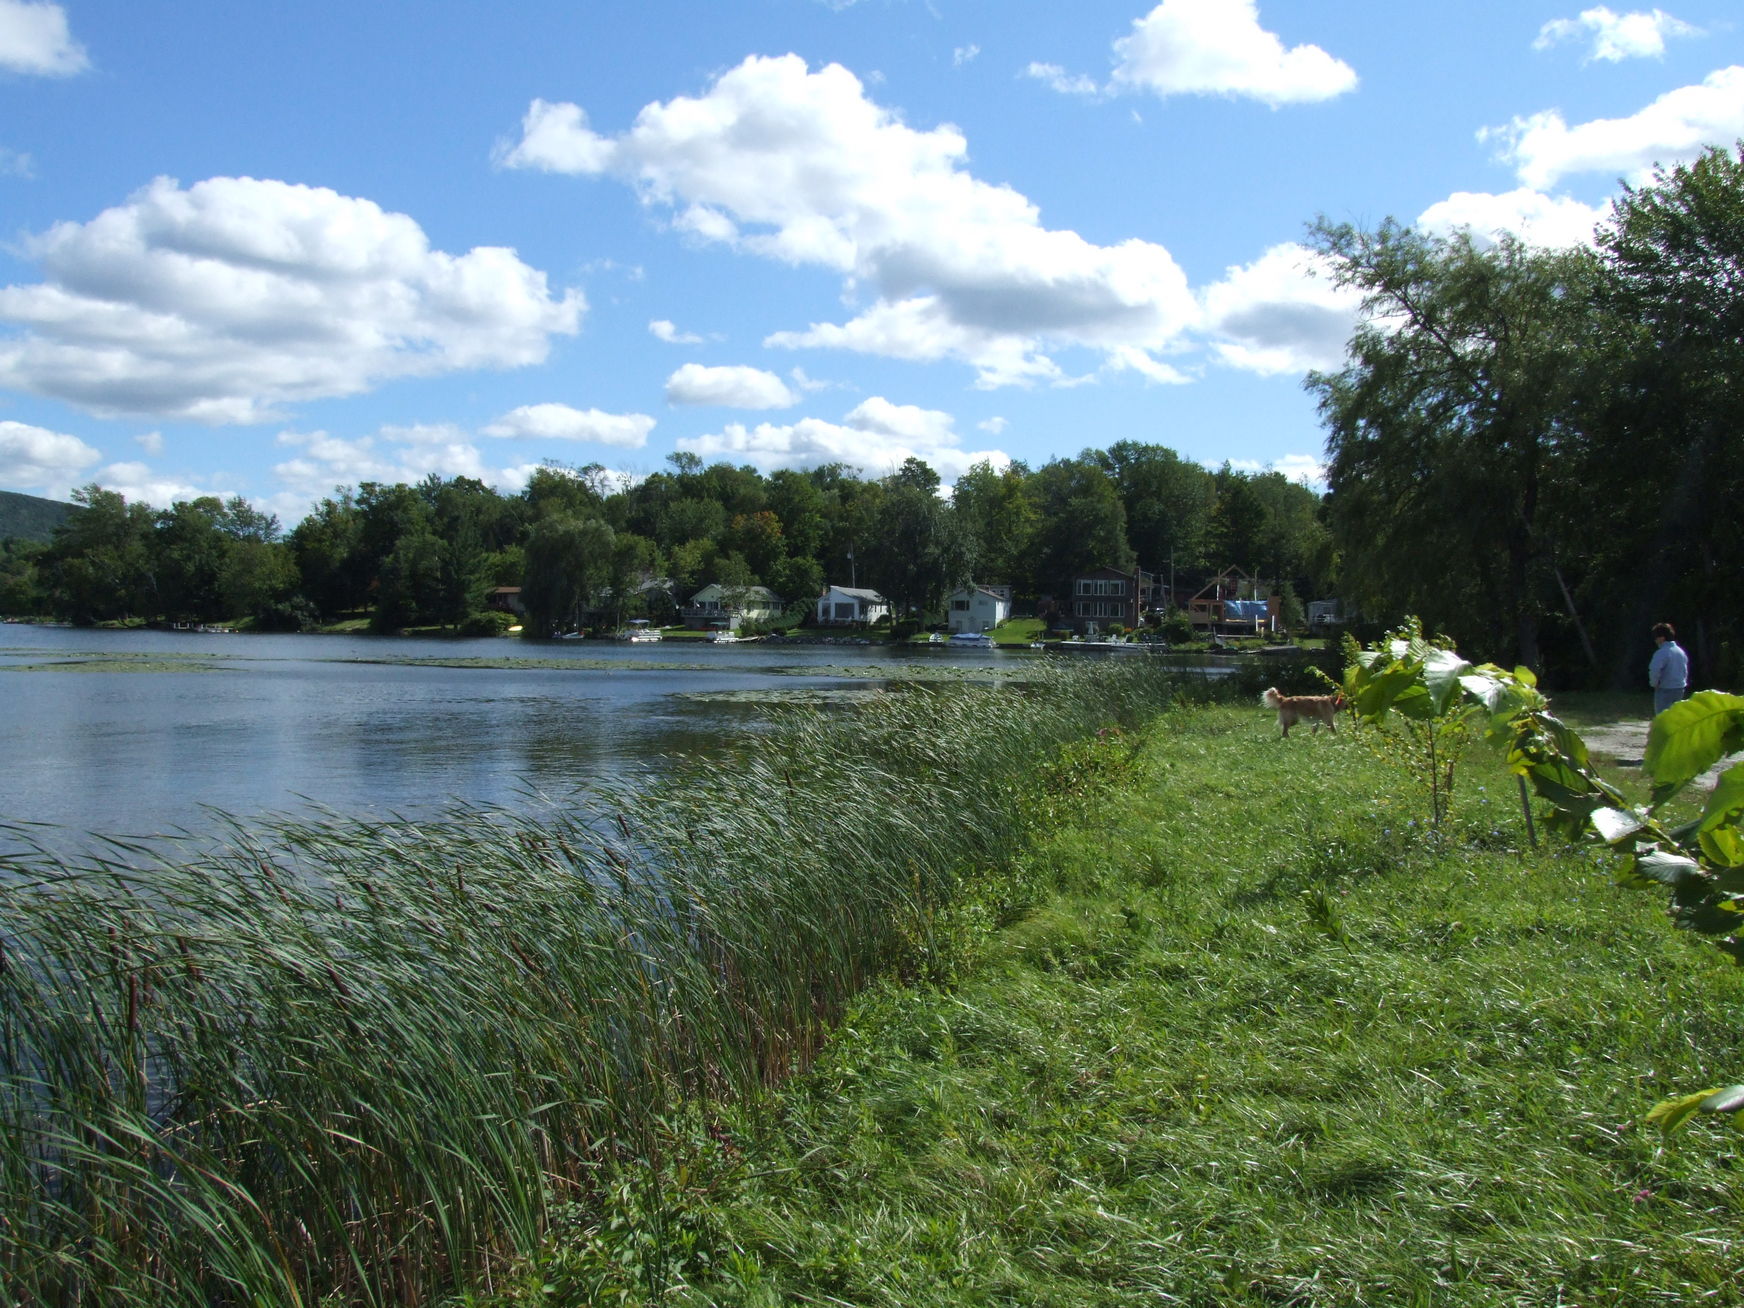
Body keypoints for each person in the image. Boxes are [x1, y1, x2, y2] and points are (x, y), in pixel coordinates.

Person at [1648, 622, 1690, 715]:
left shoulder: (1662, 652)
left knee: (1662, 717)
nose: (1655, 640)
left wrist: (1654, 683)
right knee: (1675, 716)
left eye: (1656, 637)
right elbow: (1684, 670)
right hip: (1679, 688)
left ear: (1662, 638)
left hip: (1665, 688)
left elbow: (1654, 669)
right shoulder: (1680, 651)